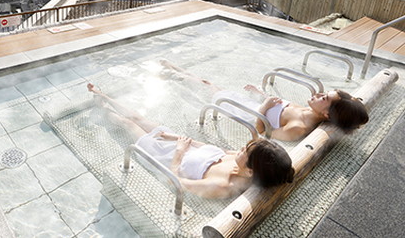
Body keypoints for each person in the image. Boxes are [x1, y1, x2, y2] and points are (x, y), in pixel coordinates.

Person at [87, 83, 295, 199]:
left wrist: (178, 151)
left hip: (166, 158)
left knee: (127, 123)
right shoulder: (242, 161)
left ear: (250, 171)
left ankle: (103, 110)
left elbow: (174, 182)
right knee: (139, 118)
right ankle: (103, 95)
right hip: (181, 144)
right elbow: (209, 148)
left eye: (245, 150)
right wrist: (177, 138)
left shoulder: (222, 185)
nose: (240, 149)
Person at [160, 60, 369, 141]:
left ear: (326, 114)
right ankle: (175, 70)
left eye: (324, 98)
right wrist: (261, 94)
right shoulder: (307, 110)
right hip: (252, 105)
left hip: (242, 112)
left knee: (201, 88)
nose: (318, 94)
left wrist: (263, 106)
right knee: (206, 83)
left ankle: (169, 76)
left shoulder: (299, 127)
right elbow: (280, 107)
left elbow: (261, 133)